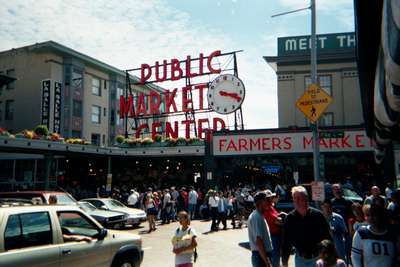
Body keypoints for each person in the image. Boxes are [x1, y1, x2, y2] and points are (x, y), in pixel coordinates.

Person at [281, 186, 332, 267]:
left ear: (306, 198)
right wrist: (284, 263)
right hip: (300, 259)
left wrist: (330, 258)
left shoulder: (317, 215)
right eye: (294, 198)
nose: (296, 201)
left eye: (299, 198)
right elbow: (286, 242)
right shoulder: (290, 218)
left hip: (317, 258)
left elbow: (328, 238)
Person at [351, 202, 398, 267]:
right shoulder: (361, 233)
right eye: (368, 215)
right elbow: (355, 256)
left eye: (375, 214)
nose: (371, 218)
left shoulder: (392, 234)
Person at [247, 191, 273, 267]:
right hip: (260, 257)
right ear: (261, 202)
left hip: (261, 255)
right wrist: (267, 261)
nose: (269, 202)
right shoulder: (256, 217)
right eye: (267, 200)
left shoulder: (259, 215)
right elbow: (259, 241)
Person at [263, 190, 282, 267]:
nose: (272, 198)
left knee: (277, 256)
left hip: (277, 234)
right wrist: (281, 219)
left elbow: (278, 217)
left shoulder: (271, 207)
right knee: (275, 257)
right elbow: (277, 221)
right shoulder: (266, 210)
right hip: (273, 235)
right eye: (271, 197)